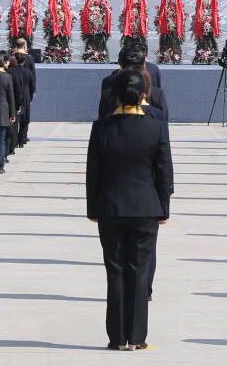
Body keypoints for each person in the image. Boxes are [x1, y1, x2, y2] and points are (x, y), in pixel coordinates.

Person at [86, 69, 172, 352]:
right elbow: (164, 171)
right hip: (145, 206)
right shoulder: (155, 127)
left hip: (110, 206)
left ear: (116, 95)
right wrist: (164, 207)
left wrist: (92, 207)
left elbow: (93, 173)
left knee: (115, 270)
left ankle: (116, 336)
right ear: (144, 94)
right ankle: (136, 336)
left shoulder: (101, 128)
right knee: (138, 270)